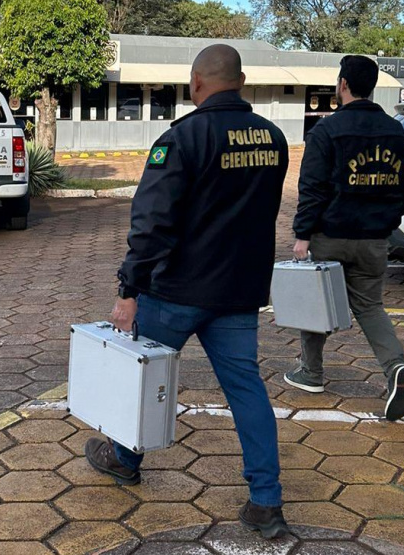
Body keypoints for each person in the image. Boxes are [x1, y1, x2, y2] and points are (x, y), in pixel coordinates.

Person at [83, 44, 291, 540]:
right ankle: (266, 501)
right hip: (239, 293)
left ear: (197, 82)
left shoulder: (182, 138)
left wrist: (129, 288)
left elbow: (152, 221)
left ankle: (124, 459)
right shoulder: (275, 138)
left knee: (143, 376)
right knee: (247, 391)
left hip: (176, 292)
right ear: (239, 81)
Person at [285, 55, 404, 422]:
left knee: (317, 305)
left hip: (331, 235)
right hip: (375, 239)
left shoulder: (327, 131)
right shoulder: (395, 130)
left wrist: (302, 235)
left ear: (342, 85)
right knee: (370, 308)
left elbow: (311, 187)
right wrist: (388, 221)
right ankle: (395, 368)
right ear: (371, 87)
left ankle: (311, 373)